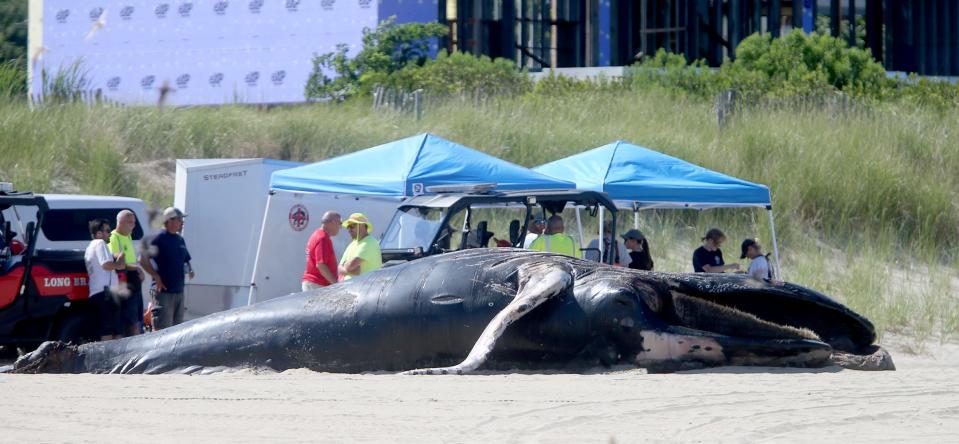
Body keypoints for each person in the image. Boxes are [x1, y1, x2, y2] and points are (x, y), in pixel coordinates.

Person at [142, 207, 194, 330]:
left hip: (178, 292)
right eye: (180, 219)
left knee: (177, 331)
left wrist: (190, 270)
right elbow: (142, 259)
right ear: (169, 221)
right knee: (162, 331)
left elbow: (185, 259)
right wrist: (156, 276)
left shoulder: (179, 239)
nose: (182, 223)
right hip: (163, 293)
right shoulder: (157, 238)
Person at [84, 218, 125, 340]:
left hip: (98, 293)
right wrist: (120, 262)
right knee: (112, 330)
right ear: (98, 234)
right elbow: (105, 264)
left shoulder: (90, 247)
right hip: (106, 293)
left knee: (106, 328)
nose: (110, 233)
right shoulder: (100, 243)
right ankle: (114, 358)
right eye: (107, 230)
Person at [109, 209, 144, 336]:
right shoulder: (114, 238)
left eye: (134, 223)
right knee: (129, 322)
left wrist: (138, 269)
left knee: (136, 320)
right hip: (125, 285)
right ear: (121, 222)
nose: (133, 226)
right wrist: (136, 268)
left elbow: (130, 260)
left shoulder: (128, 236)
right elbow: (118, 262)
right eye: (130, 222)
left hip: (134, 284)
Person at [302, 211, 341, 291]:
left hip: (314, 284)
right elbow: (321, 265)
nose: (340, 227)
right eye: (339, 223)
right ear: (333, 222)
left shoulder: (318, 234)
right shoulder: (322, 238)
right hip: (316, 285)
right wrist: (336, 285)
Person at [338, 213, 382, 280]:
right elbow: (339, 268)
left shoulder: (369, 242)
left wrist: (346, 267)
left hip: (365, 289)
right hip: (351, 287)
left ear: (361, 226)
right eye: (348, 227)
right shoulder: (352, 244)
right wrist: (351, 271)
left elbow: (349, 266)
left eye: (351, 226)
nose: (349, 230)